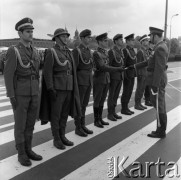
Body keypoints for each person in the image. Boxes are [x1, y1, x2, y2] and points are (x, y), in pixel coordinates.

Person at [4, 18, 42, 166]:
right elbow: (8, 75)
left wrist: (38, 92)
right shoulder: (14, 50)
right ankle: (21, 153)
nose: (31, 34)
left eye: (32, 31)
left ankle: (29, 149)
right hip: (20, 93)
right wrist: (11, 95)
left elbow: (37, 73)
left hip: (34, 92)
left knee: (31, 123)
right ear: (20, 33)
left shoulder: (35, 50)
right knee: (20, 125)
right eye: (28, 31)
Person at [42, 28, 81, 149]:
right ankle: (56, 138)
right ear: (57, 38)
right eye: (63, 36)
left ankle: (62, 135)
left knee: (64, 114)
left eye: (66, 36)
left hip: (68, 87)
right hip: (57, 89)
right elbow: (47, 72)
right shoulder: (51, 51)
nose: (66, 38)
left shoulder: (68, 52)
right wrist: (50, 88)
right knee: (56, 115)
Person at [129, 27, 168, 138]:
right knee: (159, 104)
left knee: (159, 105)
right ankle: (160, 129)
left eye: (151, 36)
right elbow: (149, 62)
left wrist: (155, 85)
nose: (150, 38)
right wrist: (135, 66)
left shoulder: (160, 47)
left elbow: (159, 68)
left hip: (158, 81)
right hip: (157, 79)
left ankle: (161, 131)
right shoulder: (159, 47)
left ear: (155, 36)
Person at [93, 33, 124, 128]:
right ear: (99, 42)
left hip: (106, 79)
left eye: (107, 40)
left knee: (102, 100)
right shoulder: (96, 53)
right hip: (99, 79)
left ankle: (100, 119)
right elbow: (103, 67)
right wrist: (117, 69)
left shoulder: (105, 52)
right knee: (97, 100)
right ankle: (96, 120)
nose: (107, 42)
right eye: (105, 41)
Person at [72, 29, 93, 137]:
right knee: (79, 105)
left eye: (90, 37)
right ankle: (78, 127)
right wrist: (74, 84)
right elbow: (74, 69)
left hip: (88, 80)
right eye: (88, 37)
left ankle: (83, 124)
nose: (90, 39)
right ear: (83, 38)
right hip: (80, 81)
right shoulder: (77, 51)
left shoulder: (88, 50)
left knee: (84, 105)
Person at [107, 34, 124, 121]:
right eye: (120, 39)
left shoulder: (120, 51)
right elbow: (109, 66)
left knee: (116, 95)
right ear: (116, 41)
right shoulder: (111, 52)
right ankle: (110, 113)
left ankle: (113, 112)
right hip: (113, 77)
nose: (122, 41)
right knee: (112, 95)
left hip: (120, 76)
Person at [121, 34, 136, 115]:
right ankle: (123, 108)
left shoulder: (132, 50)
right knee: (126, 91)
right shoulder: (125, 50)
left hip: (132, 73)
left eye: (133, 40)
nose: (133, 42)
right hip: (127, 73)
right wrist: (125, 74)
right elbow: (123, 64)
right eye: (132, 40)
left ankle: (126, 107)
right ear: (127, 41)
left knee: (130, 91)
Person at [134, 35, 149, 110]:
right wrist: (139, 74)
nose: (147, 41)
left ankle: (139, 103)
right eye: (145, 40)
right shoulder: (140, 51)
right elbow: (138, 64)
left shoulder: (145, 51)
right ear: (142, 42)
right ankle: (137, 104)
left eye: (147, 40)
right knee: (139, 89)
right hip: (141, 73)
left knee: (142, 89)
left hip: (145, 73)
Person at [144, 40, 154, 106]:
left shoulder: (152, 51)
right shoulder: (147, 51)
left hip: (151, 71)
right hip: (147, 71)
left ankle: (149, 99)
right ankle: (147, 100)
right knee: (147, 87)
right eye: (152, 44)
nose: (153, 45)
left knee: (150, 86)